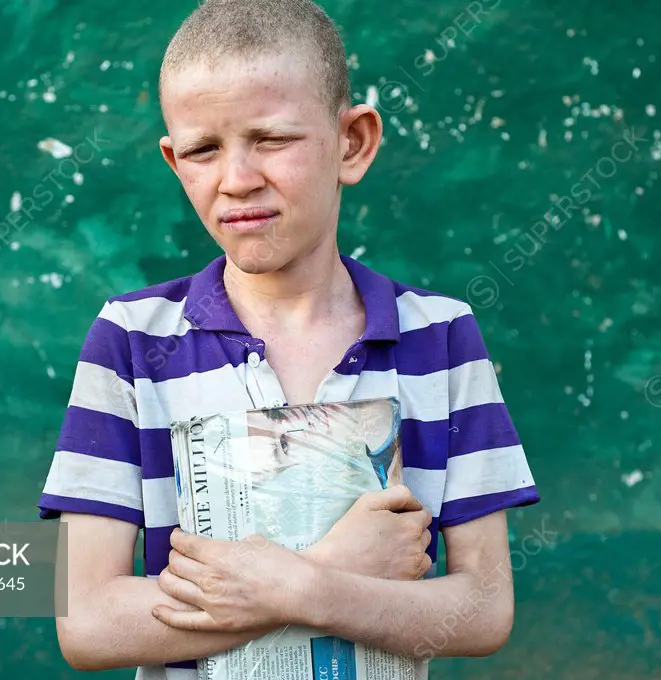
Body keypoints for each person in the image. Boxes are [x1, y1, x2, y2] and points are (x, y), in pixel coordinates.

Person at [36, 0, 540, 677]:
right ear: (173, 160)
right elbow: (89, 622)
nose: (237, 179)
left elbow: (482, 609)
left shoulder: (442, 339)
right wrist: (327, 575)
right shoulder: (131, 342)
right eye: (202, 150)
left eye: (271, 139)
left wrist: (301, 589)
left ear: (353, 143)